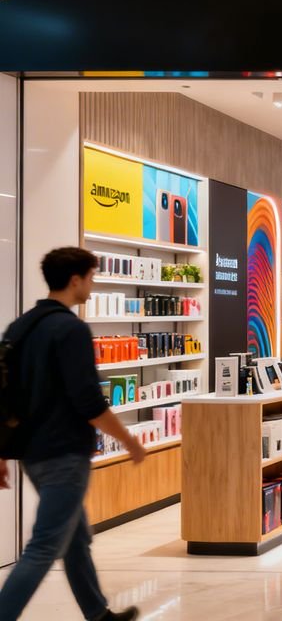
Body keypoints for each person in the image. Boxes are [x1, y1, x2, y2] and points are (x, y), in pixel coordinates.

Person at [0, 247, 143, 621]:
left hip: (32, 453)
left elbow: (5, 397)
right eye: (92, 277)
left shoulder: (20, 327)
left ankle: (98, 614)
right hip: (64, 453)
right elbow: (88, 400)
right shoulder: (71, 329)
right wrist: (128, 440)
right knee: (45, 546)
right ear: (76, 279)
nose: (93, 286)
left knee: (76, 538)